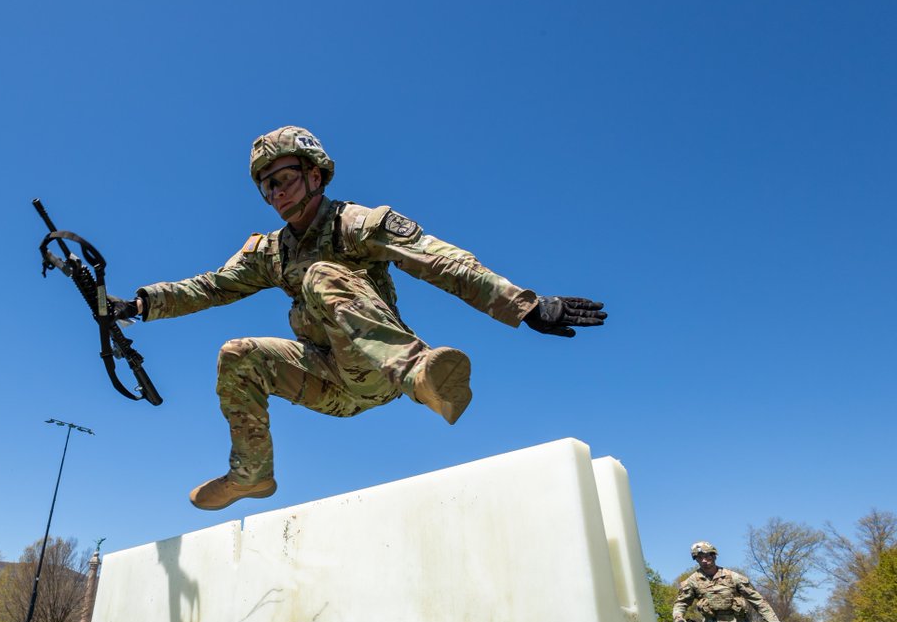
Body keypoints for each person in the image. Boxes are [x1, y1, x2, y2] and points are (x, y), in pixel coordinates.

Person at [112, 126, 606, 510]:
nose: (276, 194)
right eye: (267, 187)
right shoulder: (272, 252)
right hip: (327, 381)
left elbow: (438, 260)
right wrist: (138, 305)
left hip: (379, 369)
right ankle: (251, 473)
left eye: (283, 179)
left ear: (316, 175)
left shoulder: (356, 224)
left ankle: (421, 376)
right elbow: (211, 286)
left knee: (323, 276)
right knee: (237, 355)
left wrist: (525, 305)